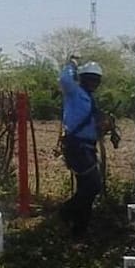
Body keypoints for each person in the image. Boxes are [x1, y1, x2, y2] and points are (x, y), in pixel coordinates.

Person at [58, 55, 103, 237]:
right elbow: (64, 79)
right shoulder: (75, 92)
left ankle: (79, 230)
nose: (93, 83)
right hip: (77, 146)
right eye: (90, 79)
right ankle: (65, 212)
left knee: (86, 189)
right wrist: (72, 64)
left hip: (88, 147)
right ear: (82, 79)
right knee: (93, 186)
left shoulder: (90, 99)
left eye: (96, 80)